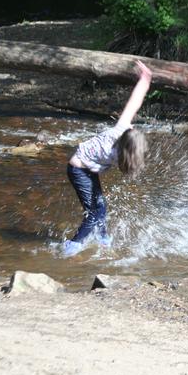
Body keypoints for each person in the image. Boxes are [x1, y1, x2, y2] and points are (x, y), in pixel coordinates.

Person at [63, 60, 152, 257]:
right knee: (94, 213)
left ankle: (102, 239)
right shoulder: (114, 151)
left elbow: (133, 103)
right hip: (78, 170)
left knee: (101, 208)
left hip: (87, 168)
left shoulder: (123, 130)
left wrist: (145, 80)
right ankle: (71, 247)